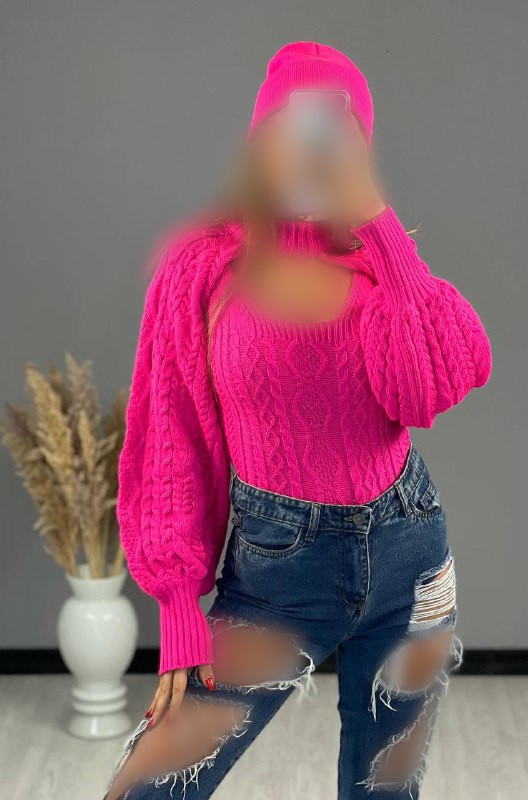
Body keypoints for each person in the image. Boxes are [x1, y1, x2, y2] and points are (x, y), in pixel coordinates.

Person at [105, 41, 492, 800]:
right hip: (275, 578)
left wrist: (377, 220)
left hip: (410, 561)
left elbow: (431, 389)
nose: (309, 150)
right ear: (260, 140)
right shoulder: (204, 268)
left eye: (335, 132)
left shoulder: (383, 271)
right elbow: (169, 437)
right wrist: (178, 607)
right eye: (292, 128)